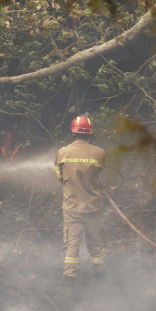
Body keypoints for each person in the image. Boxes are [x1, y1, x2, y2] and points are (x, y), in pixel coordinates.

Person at [54, 116, 107, 280]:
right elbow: (97, 172)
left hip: (72, 207)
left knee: (72, 243)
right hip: (93, 206)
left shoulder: (63, 152)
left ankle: (70, 274)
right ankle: (99, 271)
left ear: (73, 133)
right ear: (90, 134)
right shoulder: (99, 153)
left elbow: (59, 177)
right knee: (95, 241)